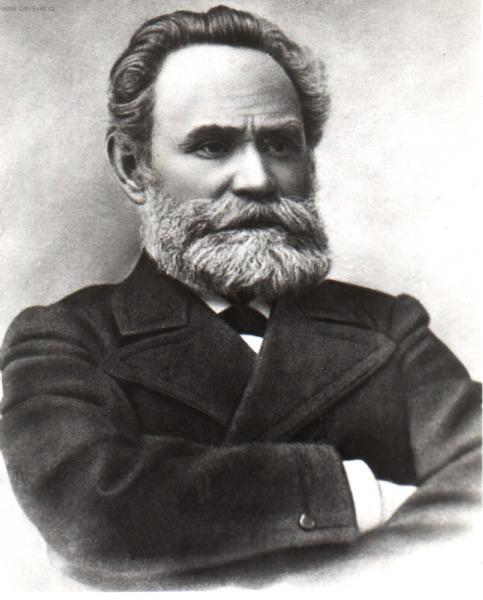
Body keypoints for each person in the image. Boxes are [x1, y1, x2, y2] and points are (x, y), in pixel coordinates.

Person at [0, 4, 480, 589]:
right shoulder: (67, 339)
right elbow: (90, 510)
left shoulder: (389, 328)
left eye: (280, 144)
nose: (257, 178)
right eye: (211, 146)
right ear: (132, 167)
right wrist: (354, 494)